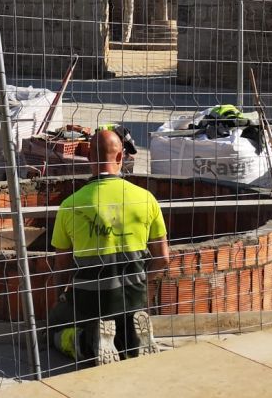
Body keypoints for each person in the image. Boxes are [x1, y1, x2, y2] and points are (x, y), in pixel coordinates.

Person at [46, 128, 170, 366]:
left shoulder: (70, 205)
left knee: (54, 330)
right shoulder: (146, 199)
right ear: (121, 157)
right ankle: (133, 339)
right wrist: (141, 280)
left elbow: (61, 267)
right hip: (133, 297)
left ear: (90, 158)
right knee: (124, 321)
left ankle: (88, 339)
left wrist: (60, 299)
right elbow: (163, 257)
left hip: (90, 302)